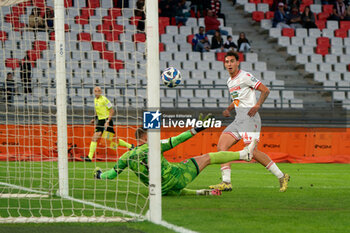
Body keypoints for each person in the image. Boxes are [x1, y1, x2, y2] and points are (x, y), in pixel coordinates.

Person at [94, 115, 258, 196]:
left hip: (160, 190)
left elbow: (112, 175)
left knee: (175, 188)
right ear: (145, 137)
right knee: (207, 157)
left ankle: (202, 193)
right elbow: (179, 139)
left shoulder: (126, 157)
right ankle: (244, 154)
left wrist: (100, 175)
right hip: (176, 177)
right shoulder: (154, 146)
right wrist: (197, 129)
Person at [208, 51, 290, 192]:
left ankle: (282, 176)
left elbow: (265, 90)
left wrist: (257, 105)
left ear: (237, 63)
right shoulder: (230, 81)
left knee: (252, 153)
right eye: (227, 61)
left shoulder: (245, 76)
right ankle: (226, 182)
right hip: (238, 119)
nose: (229, 64)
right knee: (222, 146)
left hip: (250, 118)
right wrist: (229, 108)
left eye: (232, 61)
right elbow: (238, 99)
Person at [84, 86, 133, 161]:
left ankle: (130, 146)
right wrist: (94, 118)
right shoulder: (95, 100)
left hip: (107, 120)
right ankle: (89, 157)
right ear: (94, 92)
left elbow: (112, 110)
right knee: (95, 137)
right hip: (100, 121)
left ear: (101, 92)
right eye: (95, 91)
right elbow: (97, 110)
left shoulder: (104, 100)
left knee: (110, 140)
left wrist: (107, 121)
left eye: (98, 91)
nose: (97, 92)